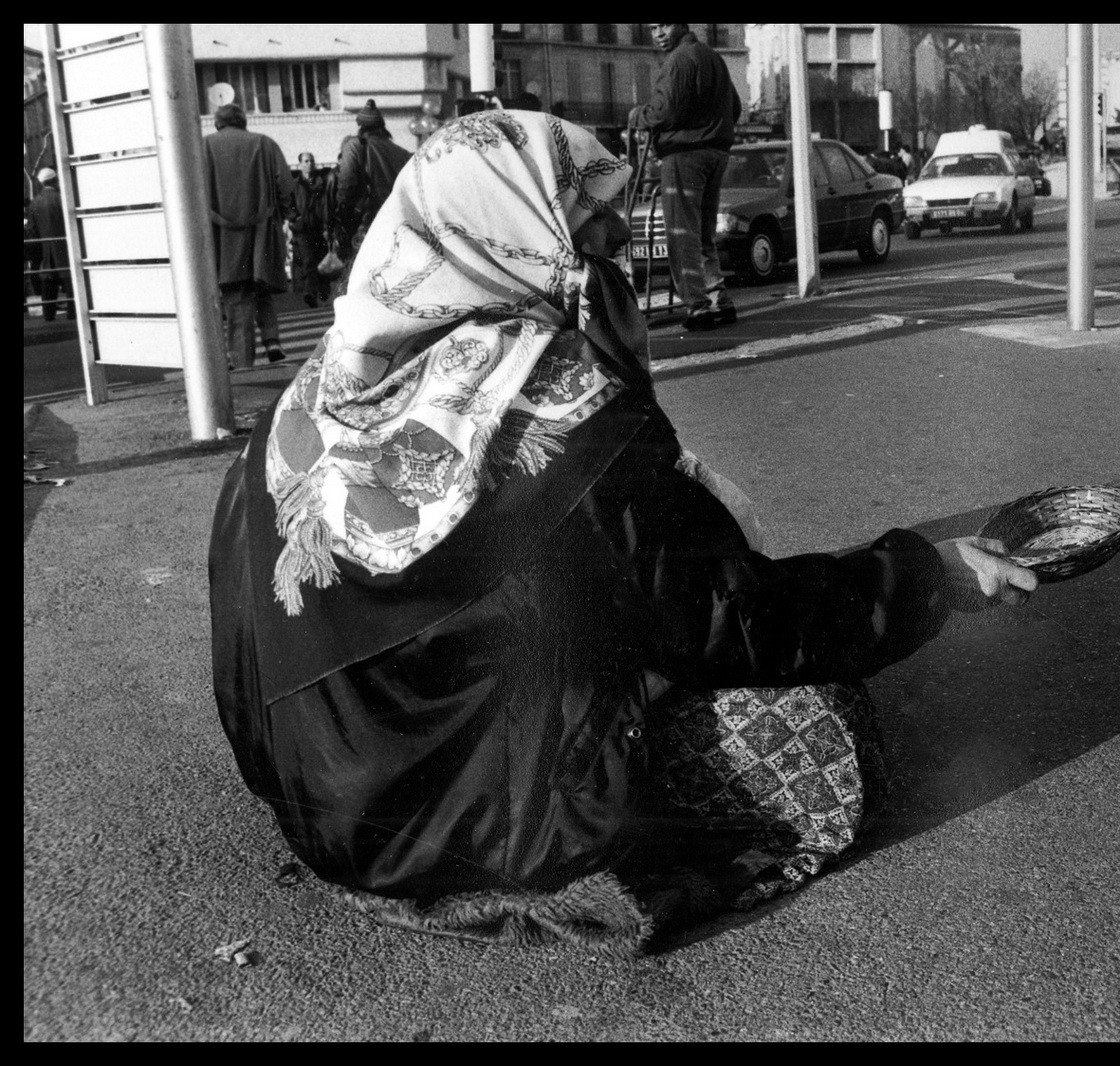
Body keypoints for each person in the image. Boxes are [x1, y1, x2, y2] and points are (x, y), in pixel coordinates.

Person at [208, 110, 1038, 953]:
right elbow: (721, 613)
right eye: (581, 214)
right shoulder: (552, 403)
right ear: (511, 231)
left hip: (317, 798)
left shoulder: (310, 392)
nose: (612, 233)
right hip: (449, 830)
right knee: (820, 723)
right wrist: (922, 576)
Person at [628, 23, 741, 332]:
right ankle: (719, 299)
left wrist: (638, 115)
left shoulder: (678, 60)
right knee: (704, 233)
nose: (658, 33)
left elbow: (664, 111)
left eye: (664, 25)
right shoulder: (712, 57)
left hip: (684, 155)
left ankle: (698, 305)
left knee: (681, 233)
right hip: (716, 153)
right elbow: (736, 106)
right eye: (652, 28)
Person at [202, 104, 294, 367]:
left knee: (236, 299)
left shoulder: (204, 147)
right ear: (243, 121)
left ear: (218, 124)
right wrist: (288, 215)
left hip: (222, 240)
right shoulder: (265, 144)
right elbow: (286, 186)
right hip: (261, 234)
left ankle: (243, 363)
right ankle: (272, 341)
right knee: (260, 286)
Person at [331, 99, 413, 291]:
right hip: (399, 224)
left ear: (360, 126)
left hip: (367, 223)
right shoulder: (401, 153)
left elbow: (347, 186)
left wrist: (341, 217)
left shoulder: (355, 146)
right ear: (382, 127)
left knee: (360, 279)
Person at [23, 168, 71, 323]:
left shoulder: (35, 203)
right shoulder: (63, 199)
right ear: (56, 180)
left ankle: (48, 314)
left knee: (48, 282)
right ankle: (72, 313)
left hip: (46, 250)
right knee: (69, 281)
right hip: (65, 247)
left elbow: (32, 231)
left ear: (40, 182)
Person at [287, 152, 331, 308]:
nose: (310, 164)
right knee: (309, 260)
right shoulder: (294, 185)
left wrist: (327, 226)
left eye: (312, 160)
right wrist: (295, 218)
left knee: (322, 260)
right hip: (303, 229)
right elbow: (288, 204)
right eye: (306, 161)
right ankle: (310, 293)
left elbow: (327, 205)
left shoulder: (322, 183)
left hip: (320, 227)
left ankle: (323, 291)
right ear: (300, 165)